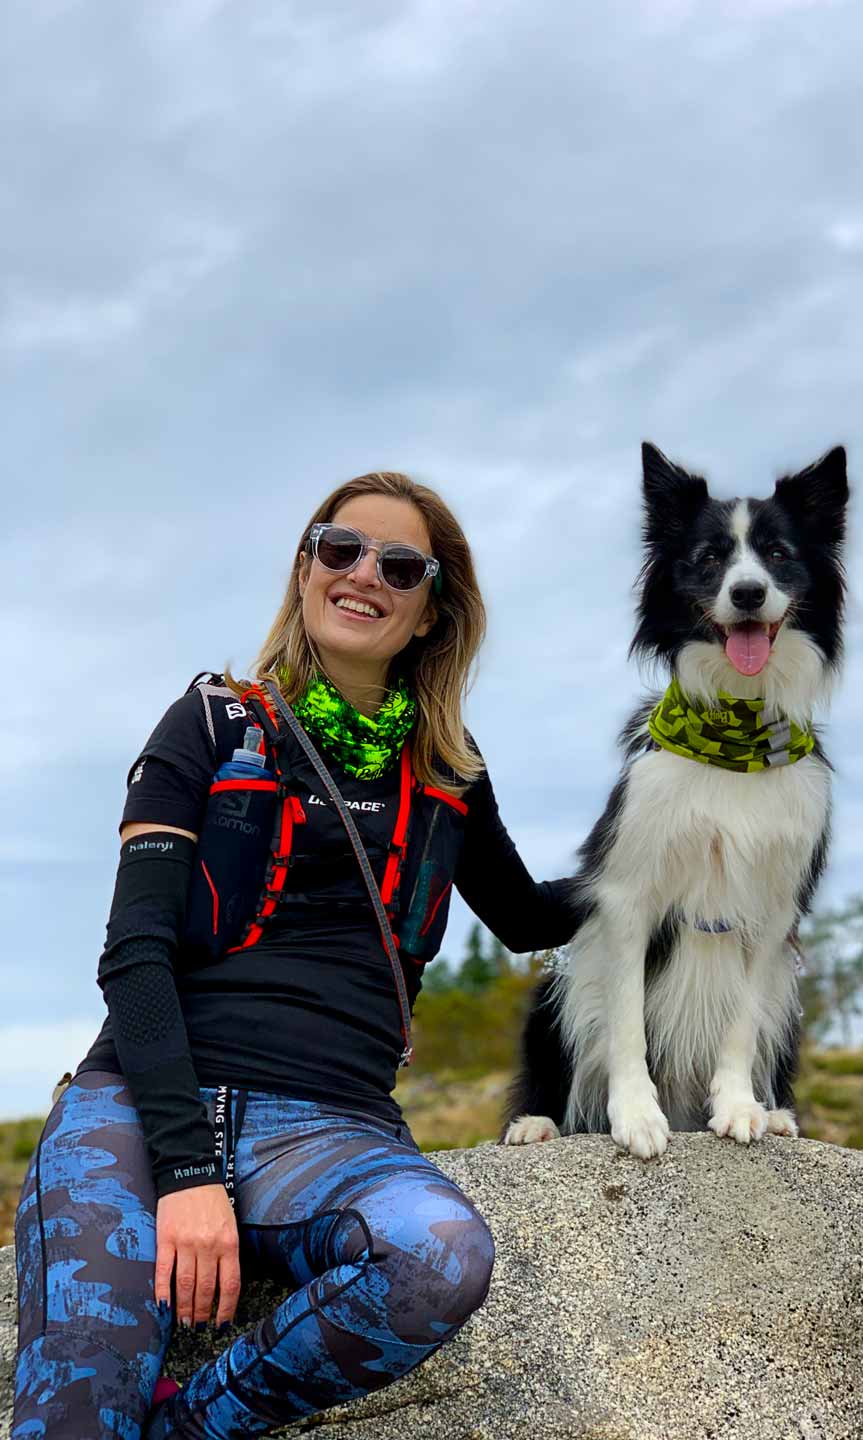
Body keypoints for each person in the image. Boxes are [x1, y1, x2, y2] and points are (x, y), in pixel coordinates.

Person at [12, 471, 579, 1438]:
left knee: (443, 1253)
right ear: (306, 564)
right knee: (79, 1405)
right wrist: (187, 1172)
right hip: (140, 1109)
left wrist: (676, 874)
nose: (364, 575)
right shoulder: (209, 720)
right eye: (340, 547)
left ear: (433, 613)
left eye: (402, 566)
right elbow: (134, 954)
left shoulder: (449, 770)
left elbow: (526, 916)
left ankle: (194, 1425)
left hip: (329, 1128)